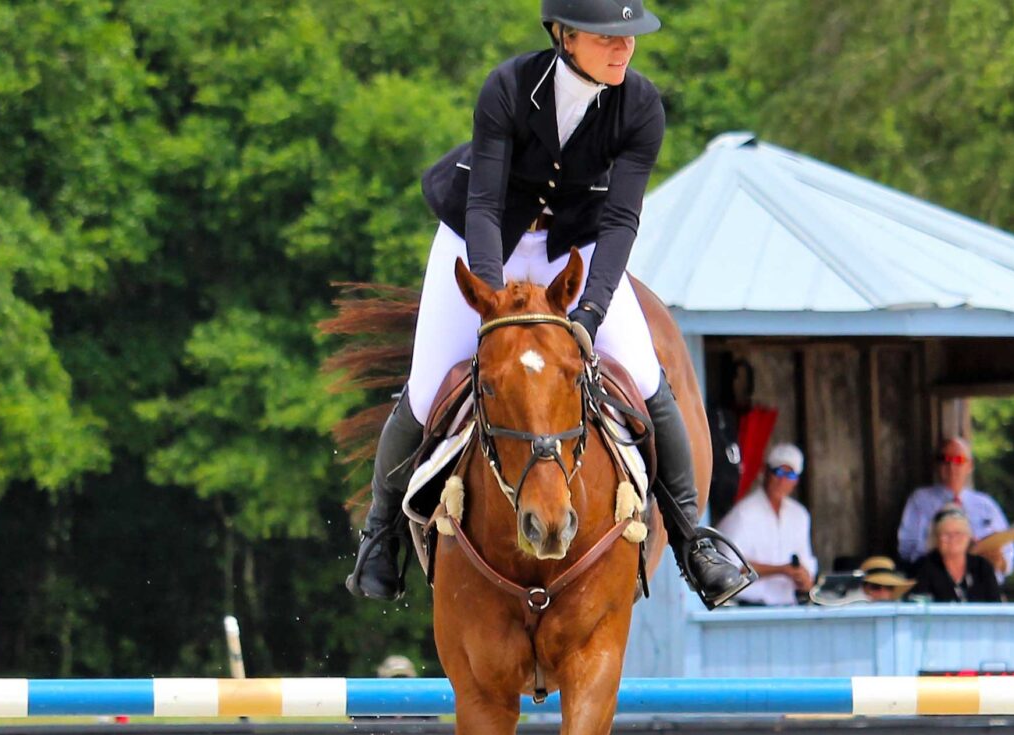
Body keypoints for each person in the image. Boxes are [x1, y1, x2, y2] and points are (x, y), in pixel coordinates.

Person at [344, 0, 753, 610]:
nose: (624, 49)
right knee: (429, 386)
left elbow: (619, 220)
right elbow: (483, 205)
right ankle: (379, 536)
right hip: (482, 239)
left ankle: (695, 539)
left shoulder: (639, 106)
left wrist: (589, 311)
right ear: (563, 35)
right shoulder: (508, 87)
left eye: (629, 38)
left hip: (575, 247)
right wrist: (492, 303)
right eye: (607, 37)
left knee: (646, 376)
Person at [895, 436, 1014, 577]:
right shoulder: (921, 500)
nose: (951, 467)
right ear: (937, 465)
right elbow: (906, 550)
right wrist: (951, 548)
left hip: (982, 588)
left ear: (969, 466)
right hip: (936, 585)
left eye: (958, 460)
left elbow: (1009, 555)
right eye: (945, 460)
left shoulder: (986, 505)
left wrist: (999, 561)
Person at [715, 444, 817, 607]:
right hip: (747, 606)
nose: (782, 480)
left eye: (789, 475)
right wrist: (780, 570)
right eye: (778, 472)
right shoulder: (743, 513)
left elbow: (807, 564)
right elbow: (728, 568)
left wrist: (803, 577)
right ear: (766, 472)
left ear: (796, 481)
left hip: (788, 605)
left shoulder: (800, 515)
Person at [908, 510, 1003, 603]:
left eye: (958, 533)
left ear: (968, 537)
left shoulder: (982, 567)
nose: (953, 539)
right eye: (946, 534)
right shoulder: (923, 567)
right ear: (936, 539)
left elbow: (995, 607)